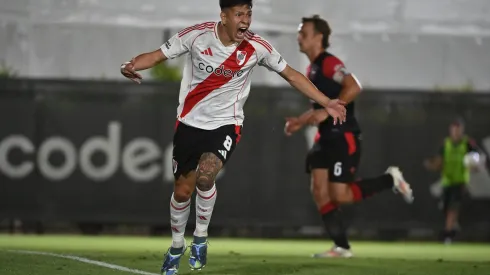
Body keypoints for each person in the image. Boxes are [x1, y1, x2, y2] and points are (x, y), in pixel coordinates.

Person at [120, 1, 347, 274]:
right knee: (182, 192)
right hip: (188, 124)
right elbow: (157, 55)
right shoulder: (196, 36)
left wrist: (326, 102)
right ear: (224, 16)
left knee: (206, 176)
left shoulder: (257, 47)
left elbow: (292, 75)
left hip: (226, 124)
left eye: (249, 14)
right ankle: (177, 245)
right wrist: (132, 64)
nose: (246, 20)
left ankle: (201, 238)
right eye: (240, 14)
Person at [284, 15, 414, 258]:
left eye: (304, 32)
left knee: (339, 195)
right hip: (324, 138)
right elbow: (318, 110)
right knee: (319, 192)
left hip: (343, 136)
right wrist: (299, 122)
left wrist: (329, 109)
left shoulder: (328, 63)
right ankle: (341, 247)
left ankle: (390, 180)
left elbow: (353, 86)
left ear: (318, 37)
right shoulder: (311, 69)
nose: (298, 37)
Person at [424, 117, 483, 244]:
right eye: (454, 129)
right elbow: (439, 161)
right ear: (451, 130)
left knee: (453, 208)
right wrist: (433, 165)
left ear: (462, 130)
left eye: (458, 129)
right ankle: (451, 227)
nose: (456, 132)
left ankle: (448, 234)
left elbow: (476, 159)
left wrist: (475, 165)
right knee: (445, 208)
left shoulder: (467, 143)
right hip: (446, 181)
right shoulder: (446, 144)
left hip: (460, 181)